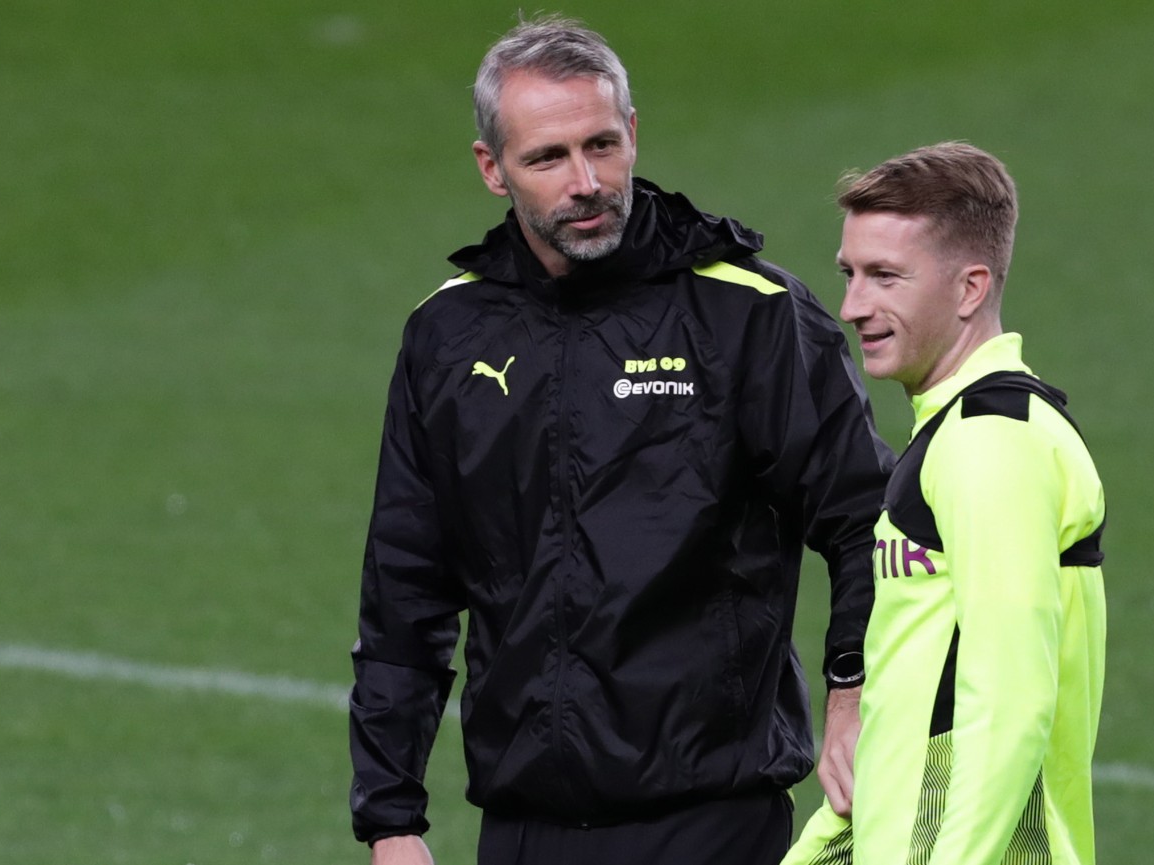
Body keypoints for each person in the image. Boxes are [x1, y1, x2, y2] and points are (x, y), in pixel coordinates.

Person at [347, 15, 894, 865]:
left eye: (603, 145)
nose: (586, 181)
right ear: (493, 169)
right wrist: (391, 817)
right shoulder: (446, 335)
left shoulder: (745, 311)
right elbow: (405, 587)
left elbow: (866, 517)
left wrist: (853, 689)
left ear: (634, 132)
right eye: (548, 158)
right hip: (526, 830)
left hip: (711, 821)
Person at [785, 142, 1108, 865]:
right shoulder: (959, 431)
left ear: (969, 288)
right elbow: (915, 713)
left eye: (885, 277)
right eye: (850, 274)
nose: (852, 307)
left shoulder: (991, 443)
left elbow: (1007, 703)